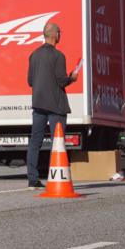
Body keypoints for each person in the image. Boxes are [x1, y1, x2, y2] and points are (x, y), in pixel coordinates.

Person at [26, 22, 79, 189]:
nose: (61, 35)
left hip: (38, 104)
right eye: (60, 32)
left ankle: (32, 179)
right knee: (58, 142)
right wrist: (72, 77)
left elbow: (29, 81)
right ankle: (55, 177)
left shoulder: (33, 55)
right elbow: (61, 80)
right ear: (55, 35)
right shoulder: (58, 56)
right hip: (56, 105)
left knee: (35, 141)